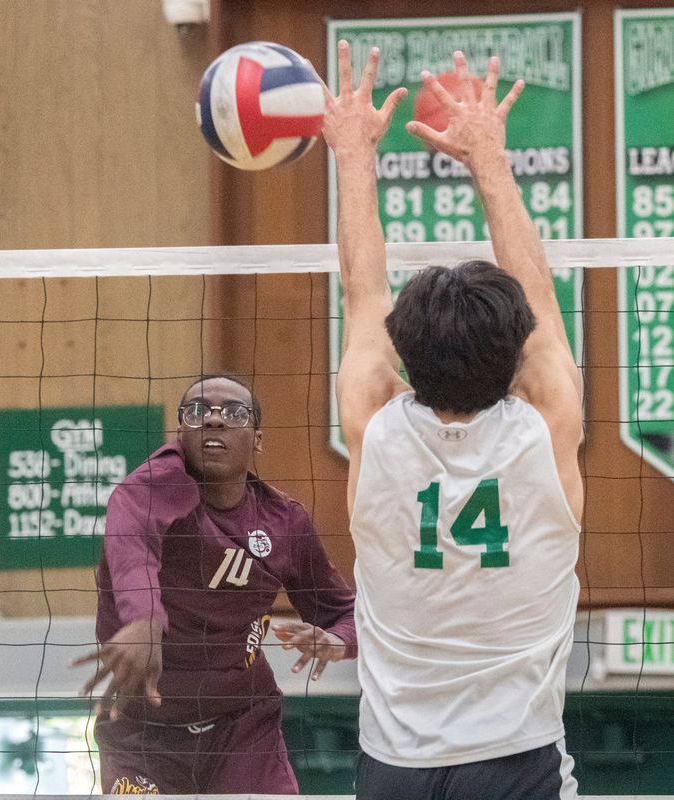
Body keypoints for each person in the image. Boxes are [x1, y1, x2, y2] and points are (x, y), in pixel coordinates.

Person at [323, 41, 583, 800]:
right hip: (515, 761)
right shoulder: (545, 428)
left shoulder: (373, 430)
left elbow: (359, 295)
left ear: (402, 358)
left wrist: (350, 153)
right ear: (513, 354)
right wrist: (487, 160)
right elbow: (537, 314)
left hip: (392, 765)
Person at [74, 373, 357, 795]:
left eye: (234, 413)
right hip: (143, 737)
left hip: (243, 731)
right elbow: (131, 555)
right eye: (198, 411)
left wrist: (338, 641)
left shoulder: (283, 522)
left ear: (257, 439)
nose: (214, 421)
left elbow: (346, 612)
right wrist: (144, 620)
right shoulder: (146, 490)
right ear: (181, 433)